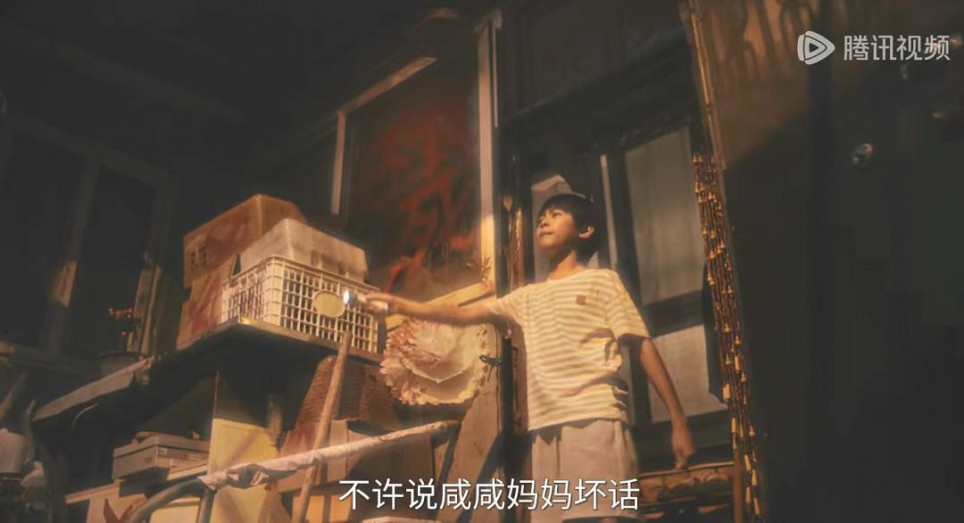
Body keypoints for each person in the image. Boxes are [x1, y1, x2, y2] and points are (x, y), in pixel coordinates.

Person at [365, 193, 696, 522]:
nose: (544, 220)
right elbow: (464, 315)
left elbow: (641, 345)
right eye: (541, 217)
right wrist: (401, 305)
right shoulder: (526, 297)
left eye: (556, 214)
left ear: (585, 231)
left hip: (593, 416)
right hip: (544, 425)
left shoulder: (602, 281)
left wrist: (678, 422)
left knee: (604, 516)